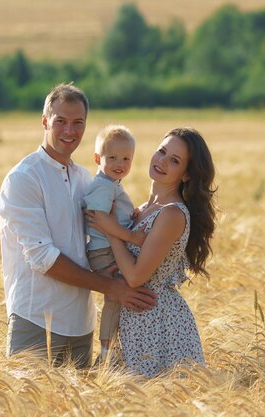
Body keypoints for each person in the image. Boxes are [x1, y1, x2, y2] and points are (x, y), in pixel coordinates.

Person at [0, 83, 158, 368]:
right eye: (61, 121)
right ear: (45, 121)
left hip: (81, 325)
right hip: (35, 318)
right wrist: (113, 287)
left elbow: (102, 234)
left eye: (77, 123)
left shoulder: (86, 179)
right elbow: (42, 258)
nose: (69, 131)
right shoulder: (24, 178)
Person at [86, 127, 216, 377]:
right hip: (133, 319)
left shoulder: (172, 214)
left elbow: (135, 278)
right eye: (162, 151)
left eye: (174, 160)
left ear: (186, 174)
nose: (162, 161)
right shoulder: (144, 208)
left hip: (158, 324)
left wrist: (111, 230)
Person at [82, 125, 144, 363]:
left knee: (121, 296)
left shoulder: (112, 184)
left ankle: (114, 347)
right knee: (115, 297)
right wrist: (131, 237)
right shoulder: (102, 185)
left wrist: (131, 216)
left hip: (107, 248)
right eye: (113, 157)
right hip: (104, 252)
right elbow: (100, 218)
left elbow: (112, 215)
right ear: (98, 159)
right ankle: (107, 350)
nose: (120, 163)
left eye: (126, 158)